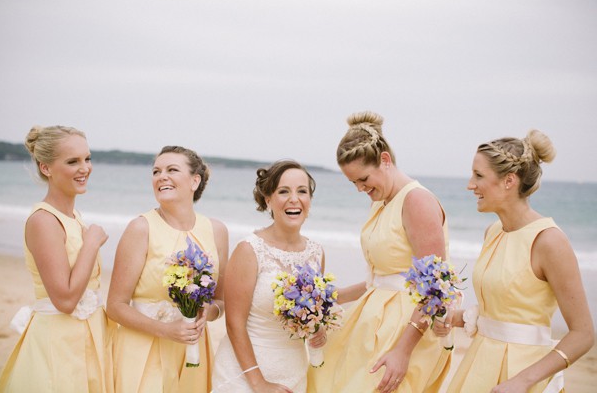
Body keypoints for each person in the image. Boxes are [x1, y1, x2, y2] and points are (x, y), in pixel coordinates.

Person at [433, 130, 594, 393]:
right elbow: (501, 312)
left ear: (509, 181)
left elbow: (583, 335)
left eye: (479, 175)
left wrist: (523, 381)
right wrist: (454, 318)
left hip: (525, 377)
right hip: (479, 365)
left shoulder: (549, 241)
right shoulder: (493, 232)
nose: (470, 184)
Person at [308, 111, 451, 393]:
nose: (360, 189)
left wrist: (403, 351)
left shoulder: (416, 200)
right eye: (353, 183)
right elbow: (383, 278)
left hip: (406, 331)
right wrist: (325, 299)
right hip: (374, 321)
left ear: (384, 160)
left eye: (363, 179)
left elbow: (435, 289)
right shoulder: (382, 201)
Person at [0, 126, 112, 392]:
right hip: (59, 343)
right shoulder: (43, 221)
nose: (85, 168)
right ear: (46, 168)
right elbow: (65, 300)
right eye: (73, 161)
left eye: (87, 158)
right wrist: (91, 244)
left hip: (87, 338)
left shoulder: (74, 217)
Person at [106, 145, 228, 393]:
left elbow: (220, 301)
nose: (161, 176)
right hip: (144, 349)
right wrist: (166, 330)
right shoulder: (140, 228)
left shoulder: (217, 231)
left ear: (195, 181)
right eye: (156, 171)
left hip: (193, 350)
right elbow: (115, 306)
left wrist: (208, 312)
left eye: (172, 169)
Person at [212, 160, 327, 393]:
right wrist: (259, 383)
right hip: (243, 376)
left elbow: (306, 315)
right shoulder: (249, 249)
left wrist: (317, 329)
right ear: (268, 200)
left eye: (302, 191)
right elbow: (235, 324)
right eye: (283, 191)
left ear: (309, 201)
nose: (294, 199)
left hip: (292, 372)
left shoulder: (316, 253)